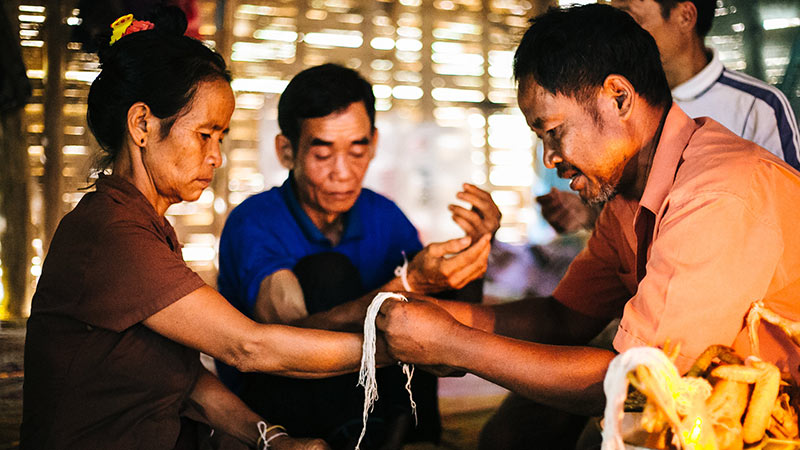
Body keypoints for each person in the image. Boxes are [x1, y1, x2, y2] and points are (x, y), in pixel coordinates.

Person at [376, 4, 800, 450]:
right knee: (511, 432)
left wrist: (455, 346)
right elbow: (563, 319)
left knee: (617, 431)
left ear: (619, 97)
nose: (549, 158)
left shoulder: (715, 195)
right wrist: (448, 320)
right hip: (684, 389)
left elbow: (643, 384)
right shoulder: (628, 190)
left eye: (554, 131)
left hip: (770, 417)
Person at [20, 9, 375, 450]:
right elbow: (249, 348)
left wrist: (274, 440)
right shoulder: (111, 234)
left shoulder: (145, 227)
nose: (216, 156)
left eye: (221, 138)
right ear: (142, 125)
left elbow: (188, 383)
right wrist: (394, 349)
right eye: (204, 134)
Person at [215, 63, 498, 449]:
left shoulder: (383, 216)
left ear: (375, 144)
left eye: (357, 150)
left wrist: (477, 250)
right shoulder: (255, 221)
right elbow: (286, 341)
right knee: (329, 273)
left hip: (377, 403)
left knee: (428, 306)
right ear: (286, 150)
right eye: (322, 154)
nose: (343, 173)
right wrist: (406, 285)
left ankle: (414, 436)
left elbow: (449, 322)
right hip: (279, 402)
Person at [538, 0, 800, 234]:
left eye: (628, 18)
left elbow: (784, 220)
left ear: (685, 16)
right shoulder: (612, 107)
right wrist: (590, 216)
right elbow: (630, 218)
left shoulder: (757, 107)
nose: (610, 34)